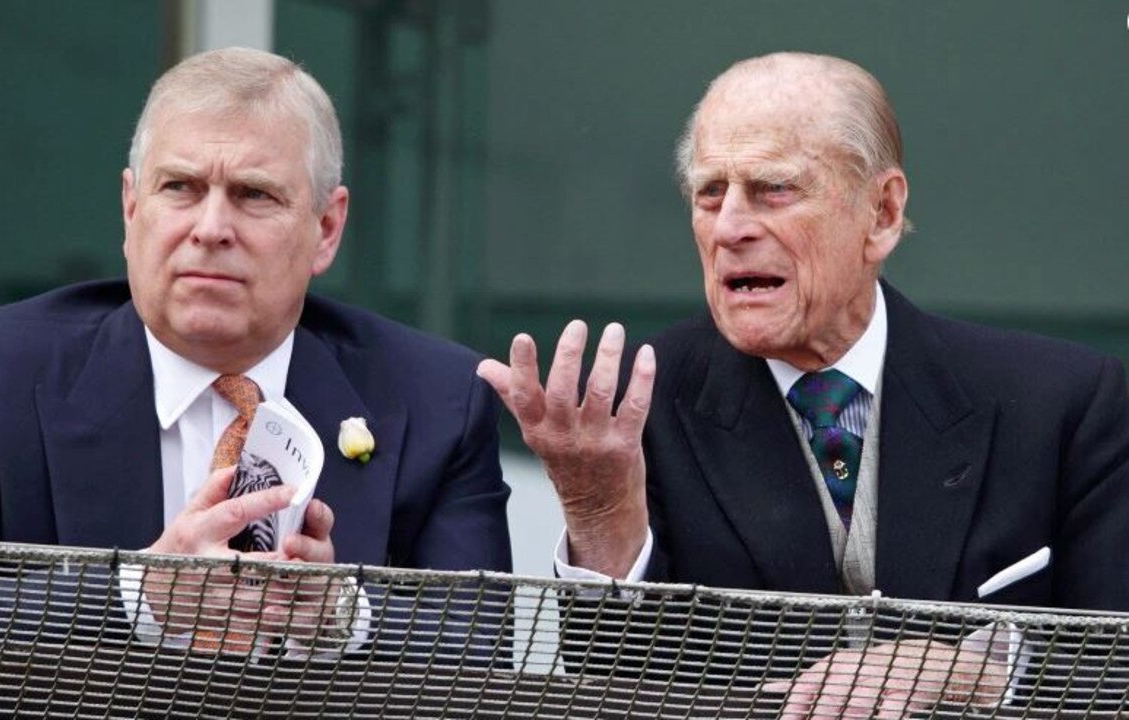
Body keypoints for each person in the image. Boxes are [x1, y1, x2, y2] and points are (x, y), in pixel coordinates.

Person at [480, 52, 1129, 716]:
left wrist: (975, 671)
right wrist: (598, 517)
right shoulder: (633, 409)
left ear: (880, 213)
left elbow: (1116, 669)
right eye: (710, 193)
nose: (729, 227)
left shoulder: (1061, 403)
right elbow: (611, 684)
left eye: (773, 190)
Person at [0, 47, 511, 661]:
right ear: (132, 210)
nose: (210, 228)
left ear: (326, 228)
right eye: (179, 187)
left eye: (253, 194)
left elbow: (481, 645)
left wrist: (342, 615)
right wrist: (141, 595)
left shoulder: (437, 398)